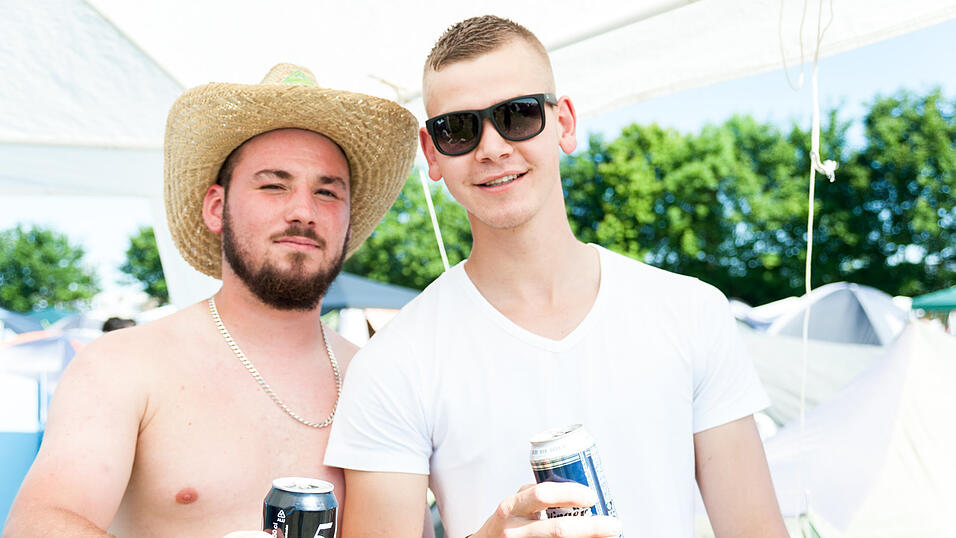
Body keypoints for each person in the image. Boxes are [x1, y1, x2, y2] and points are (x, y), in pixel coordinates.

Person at [324, 16, 789, 538]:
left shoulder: (692, 312)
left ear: (564, 123)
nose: (493, 148)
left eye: (517, 115)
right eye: (458, 129)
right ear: (432, 154)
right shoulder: (395, 361)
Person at [4, 63, 418, 537]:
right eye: (273, 184)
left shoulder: (377, 381)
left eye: (327, 192)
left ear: (348, 220)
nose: (304, 211)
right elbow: (40, 523)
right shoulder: (121, 366)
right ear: (216, 207)